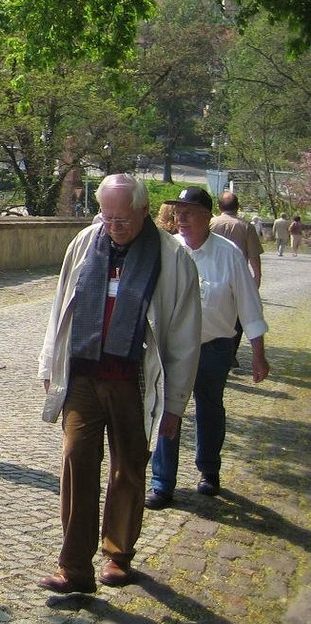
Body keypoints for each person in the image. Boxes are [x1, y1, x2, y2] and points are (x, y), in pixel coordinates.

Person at [38, 173, 201, 594]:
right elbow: (60, 308)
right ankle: (74, 569)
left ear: (145, 211)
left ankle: (118, 554)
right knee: (76, 462)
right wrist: (48, 366)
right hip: (83, 376)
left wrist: (175, 405)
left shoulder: (172, 258)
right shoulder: (85, 244)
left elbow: (183, 335)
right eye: (107, 217)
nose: (113, 226)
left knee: (128, 468)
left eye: (122, 219)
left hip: (135, 380)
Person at [147, 187, 270, 509]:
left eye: (189, 212)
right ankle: (162, 483)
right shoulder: (167, 250)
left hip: (214, 347)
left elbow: (249, 305)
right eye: (178, 212)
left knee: (209, 408)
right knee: (167, 410)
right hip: (174, 348)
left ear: (207, 216)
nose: (181, 218)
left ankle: (209, 471)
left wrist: (258, 354)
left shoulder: (228, 254)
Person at [209, 191, 264, 366]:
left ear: (218, 207)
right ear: (238, 207)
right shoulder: (246, 226)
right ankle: (230, 352)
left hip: (211, 274)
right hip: (236, 277)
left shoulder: (210, 223)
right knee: (238, 318)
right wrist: (257, 277)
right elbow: (254, 255)